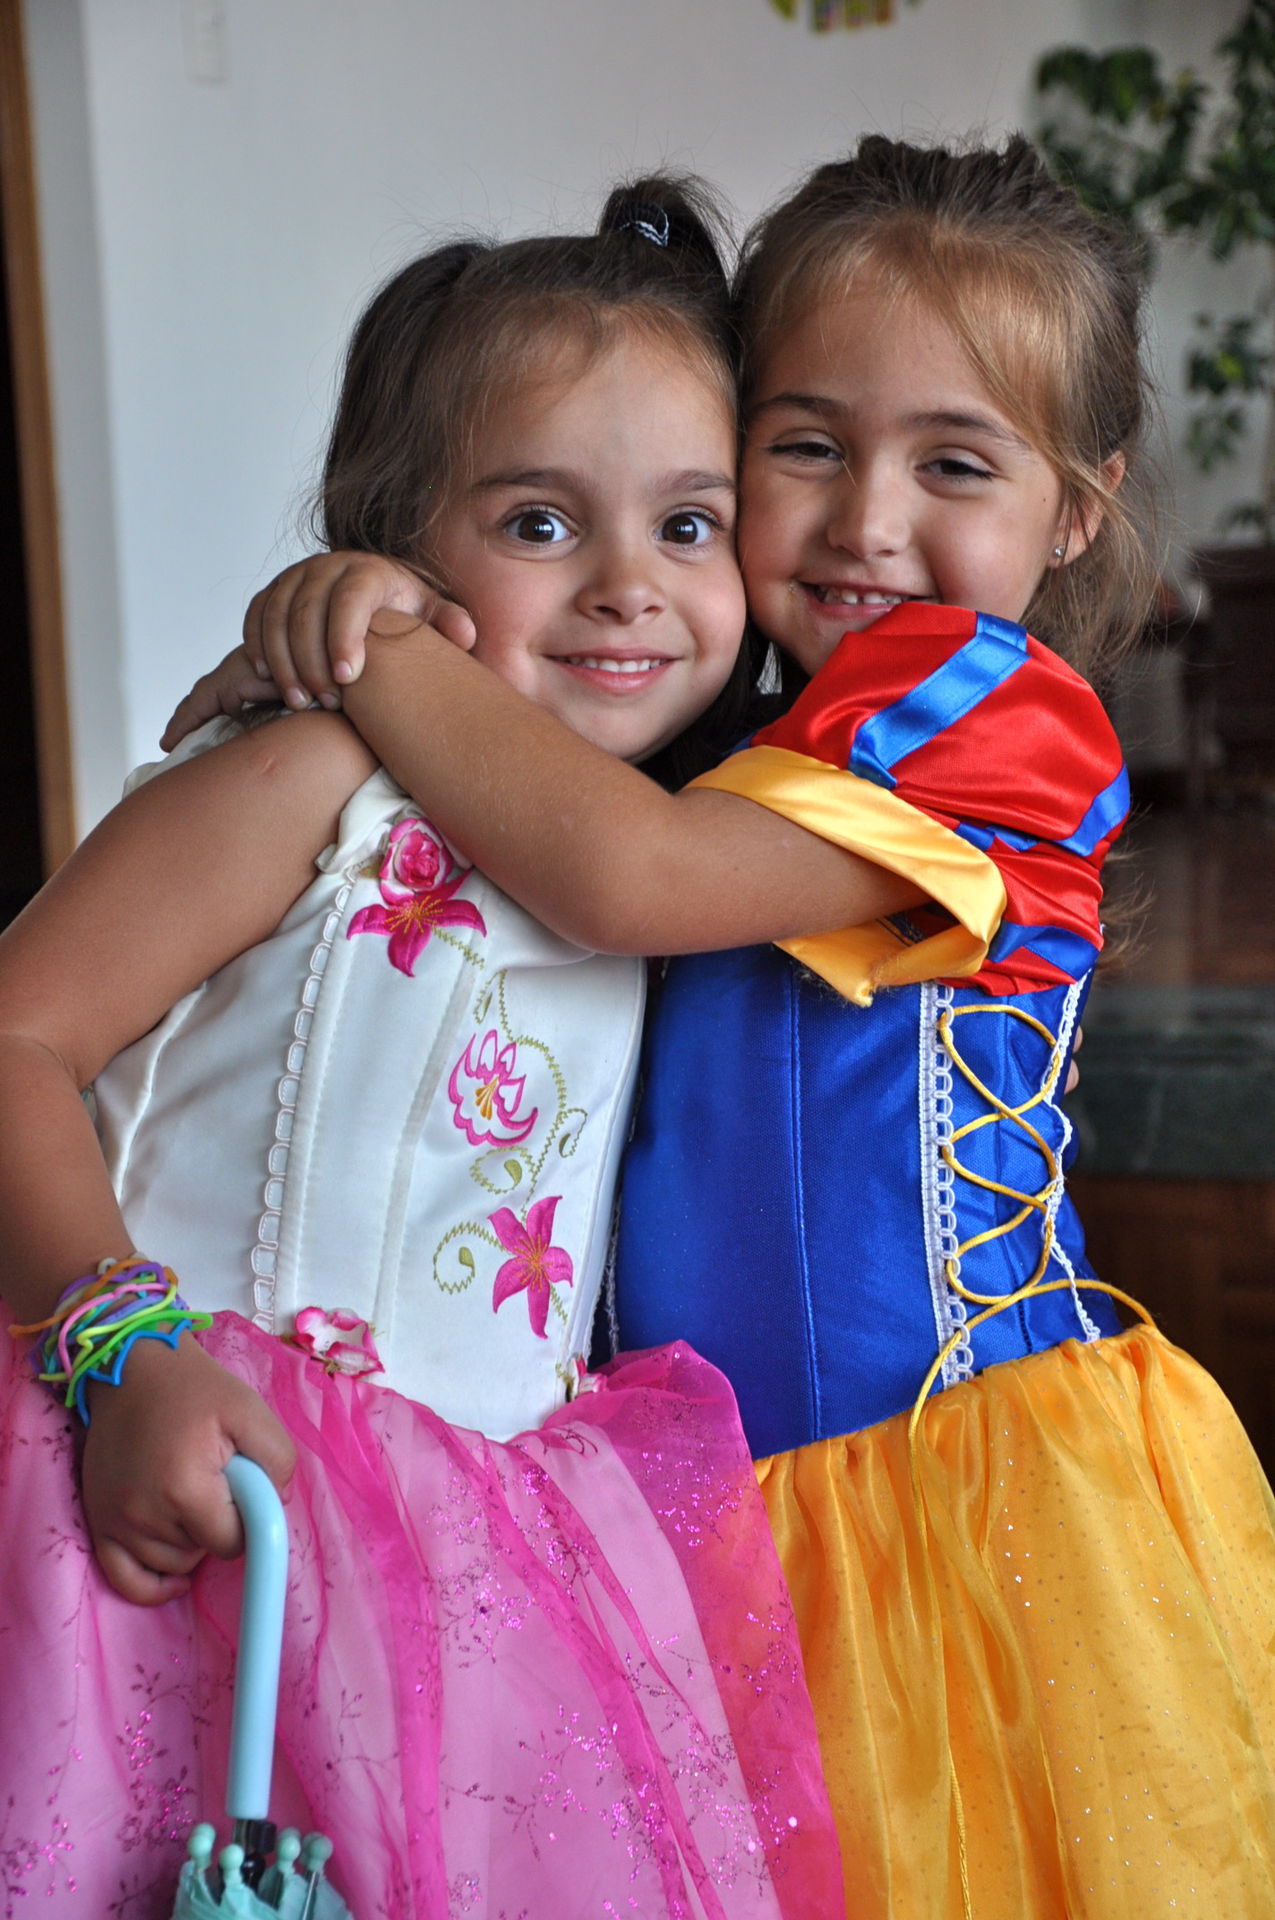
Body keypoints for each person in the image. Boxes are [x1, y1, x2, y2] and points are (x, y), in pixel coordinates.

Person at [175, 136, 1275, 1917]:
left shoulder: (992, 718)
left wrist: (382, 645)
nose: (866, 521)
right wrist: (390, 593)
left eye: (954, 464)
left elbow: (628, 880)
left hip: (955, 1505)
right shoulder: (725, 724)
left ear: (1079, 508)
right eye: (806, 445)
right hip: (695, 1514)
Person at [0, 179, 847, 1919]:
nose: (628, 585)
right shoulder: (315, 777)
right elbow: (16, 1031)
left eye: (690, 525)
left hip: (487, 1566)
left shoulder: (684, 846)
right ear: (399, 545)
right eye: (540, 520)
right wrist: (120, 1349)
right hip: (161, 1475)